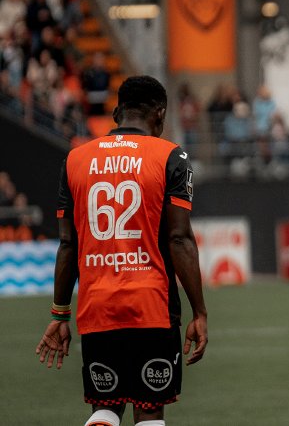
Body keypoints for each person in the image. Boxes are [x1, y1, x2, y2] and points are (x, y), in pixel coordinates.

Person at [37, 75, 209, 426]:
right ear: (159, 114)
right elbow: (179, 239)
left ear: (117, 113)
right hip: (152, 307)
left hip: (97, 307)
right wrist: (200, 312)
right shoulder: (171, 157)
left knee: (105, 406)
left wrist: (59, 315)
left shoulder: (75, 160)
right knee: (149, 410)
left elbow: (68, 244)